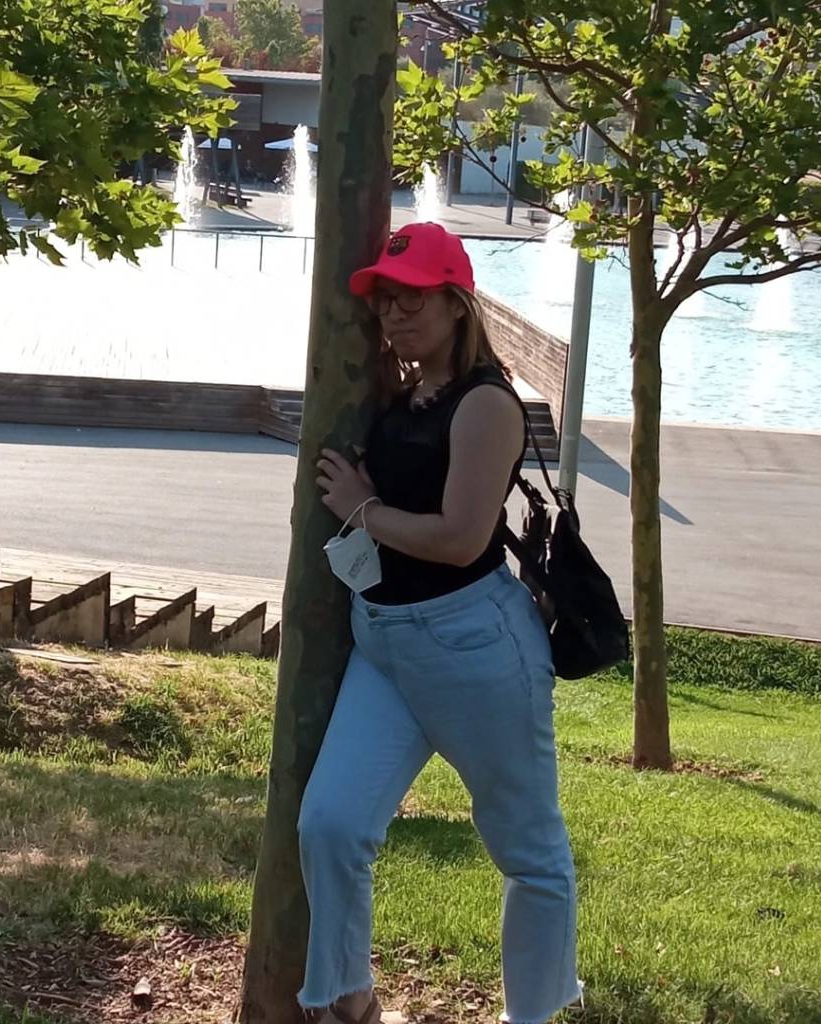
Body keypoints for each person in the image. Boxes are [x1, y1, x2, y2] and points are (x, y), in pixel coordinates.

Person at [301, 222, 581, 1024]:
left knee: (529, 852)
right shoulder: (405, 392)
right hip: (384, 644)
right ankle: (348, 1002)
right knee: (331, 824)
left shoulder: (486, 403)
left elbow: (461, 538)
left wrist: (365, 508)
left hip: (474, 646)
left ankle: (531, 1016)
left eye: (413, 298)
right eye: (386, 300)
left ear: (457, 303)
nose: (395, 313)